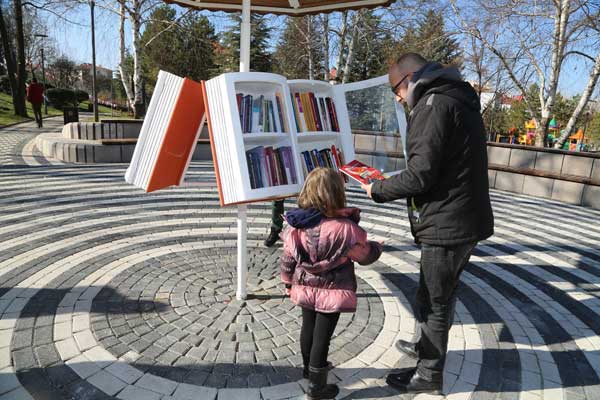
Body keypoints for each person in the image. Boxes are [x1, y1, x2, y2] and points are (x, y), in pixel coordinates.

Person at [361, 53, 494, 394]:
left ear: (410, 80)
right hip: (462, 218)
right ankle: (425, 348)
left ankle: (429, 374)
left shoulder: (433, 105)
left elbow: (421, 175)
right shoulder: (455, 98)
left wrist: (377, 188)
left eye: (396, 89)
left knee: (436, 301)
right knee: (433, 293)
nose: (397, 98)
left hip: (448, 223)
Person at [280, 168, 382, 400]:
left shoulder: (296, 225)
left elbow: (287, 259)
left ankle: (308, 369)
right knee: (322, 336)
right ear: (337, 193)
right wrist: (377, 247)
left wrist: (287, 283)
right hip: (333, 291)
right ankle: (317, 388)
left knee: (308, 326)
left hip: (304, 286)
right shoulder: (346, 229)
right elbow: (364, 256)